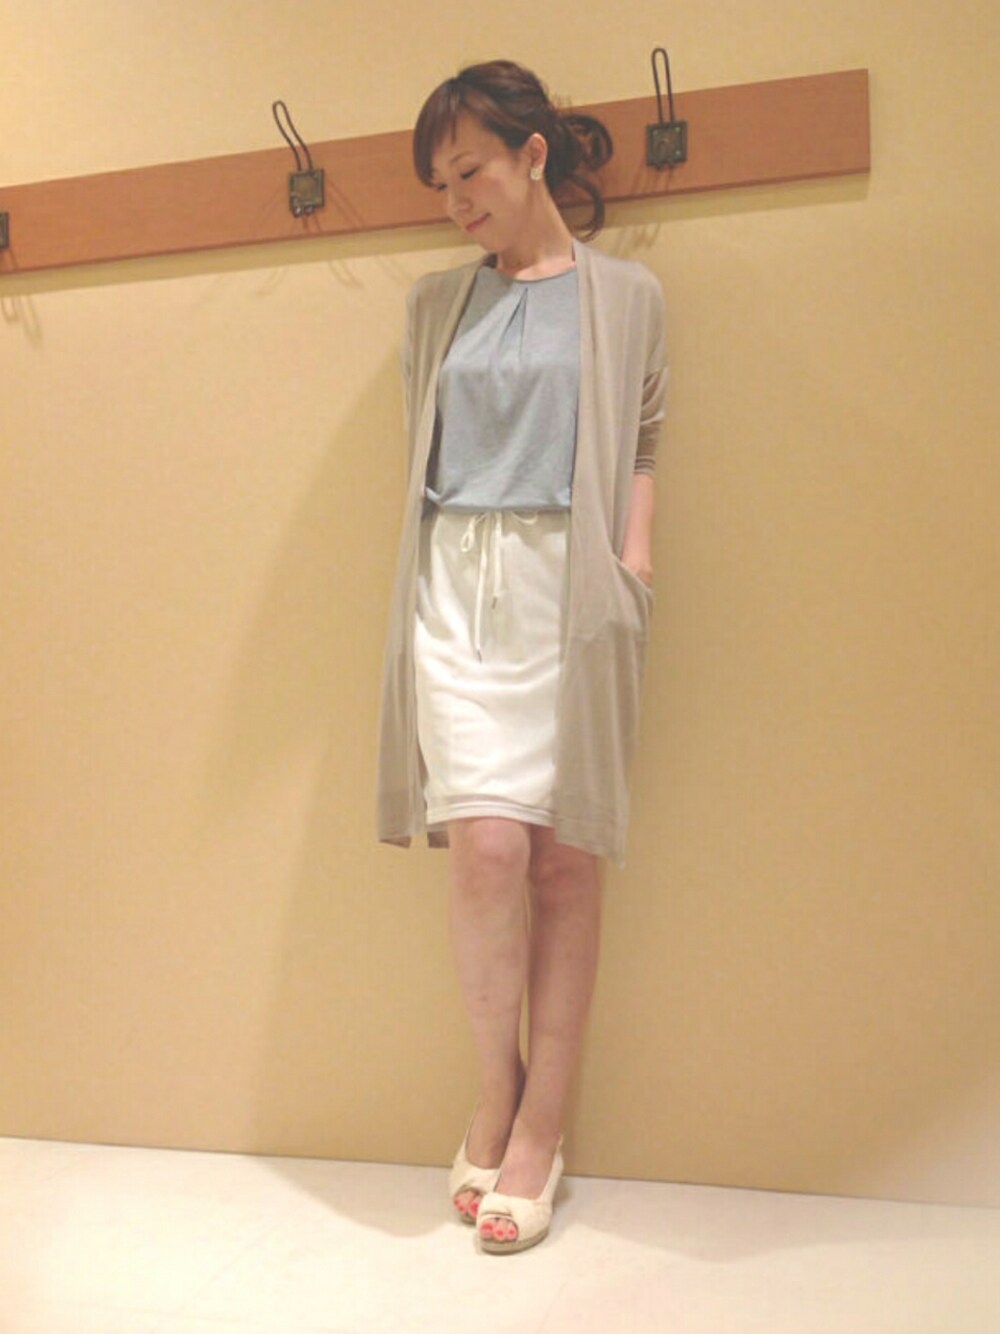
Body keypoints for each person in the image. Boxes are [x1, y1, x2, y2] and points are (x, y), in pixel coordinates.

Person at [376, 59, 668, 1254]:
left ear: (532, 155)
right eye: (440, 185)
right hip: (456, 588)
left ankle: (540, 1125)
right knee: (486, 851)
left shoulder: (626, 294)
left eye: (471, 172)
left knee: (564, 864)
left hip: (570, 588)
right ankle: (493, 1089)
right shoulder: (433, 306)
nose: (456, 201)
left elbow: (643, 433)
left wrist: (632, 561)